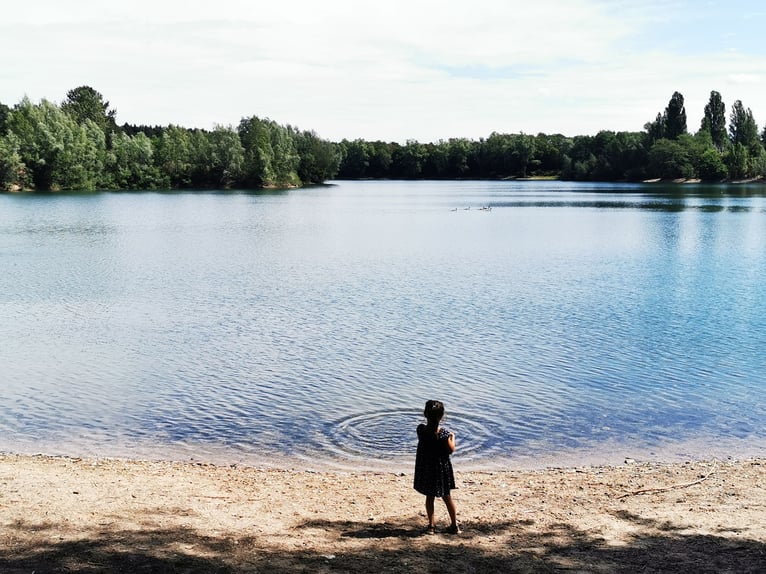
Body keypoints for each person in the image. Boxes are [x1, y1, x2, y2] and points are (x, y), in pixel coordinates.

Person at [413, 400, 461, 534]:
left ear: (425, 414)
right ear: (442, 417)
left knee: (430, 498)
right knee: (447, 497)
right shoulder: (444, 434)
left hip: (427, 469)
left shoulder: (421, 430)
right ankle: (454, 525)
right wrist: (453, 437)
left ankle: (431, 526)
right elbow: (451, 450)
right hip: (441, 471)